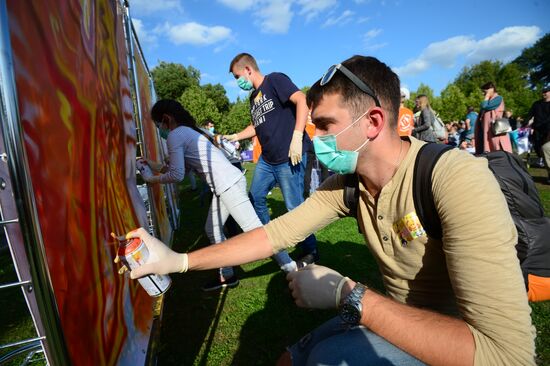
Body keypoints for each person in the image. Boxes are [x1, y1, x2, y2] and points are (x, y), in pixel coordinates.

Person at [123, 56, 535, 365]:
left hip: (455, 342)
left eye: (323, 125)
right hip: (394, 317)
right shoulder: (349, 185)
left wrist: (349, 295)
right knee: (291, 359)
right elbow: (273, 234)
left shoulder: (455, 178)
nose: (312, 135)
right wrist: (178, 260)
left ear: (372, 121)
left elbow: (507, 356)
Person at [139, 100, 297, 291]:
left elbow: (177, 175)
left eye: (158, 125)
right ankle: (227, 274)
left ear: (167, 119)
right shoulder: (188, 132)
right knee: (213, 230)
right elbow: (174, 168)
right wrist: (150, 165)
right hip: (227, 184)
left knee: (256, 231)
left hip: (228, 184)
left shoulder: (176, 135)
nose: (159, 130)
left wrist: (150, 178)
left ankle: (292, 270)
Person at [223, 53, 318, 265]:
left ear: (248, 69)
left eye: (237, 76)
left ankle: (310, 250)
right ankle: (272, 241)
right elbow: (256, 126)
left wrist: (296, 136)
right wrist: (236, 136)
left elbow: (301, 100)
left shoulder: (275, 80)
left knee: (294, 207)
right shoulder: (252, 98)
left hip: (288, 157)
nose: (237, 82)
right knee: (255, 196)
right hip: (267, 160)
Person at [474, 81, 512, 154]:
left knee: (497, 147)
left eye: (484, 91)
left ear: (491, 89)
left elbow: (484, 106)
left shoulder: (498, 98)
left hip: (495, 130)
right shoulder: (489, 100)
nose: (483, 94)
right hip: (488, 130)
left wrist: (487, 96)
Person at [526, 87, 550, 177]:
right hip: (537, 132)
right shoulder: (537, 104)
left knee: (546, 149)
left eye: (546, 91)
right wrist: (525, 123)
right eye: (543, 92)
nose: (544, 93)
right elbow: (530, 114)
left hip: (548, 132)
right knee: (540, 152)